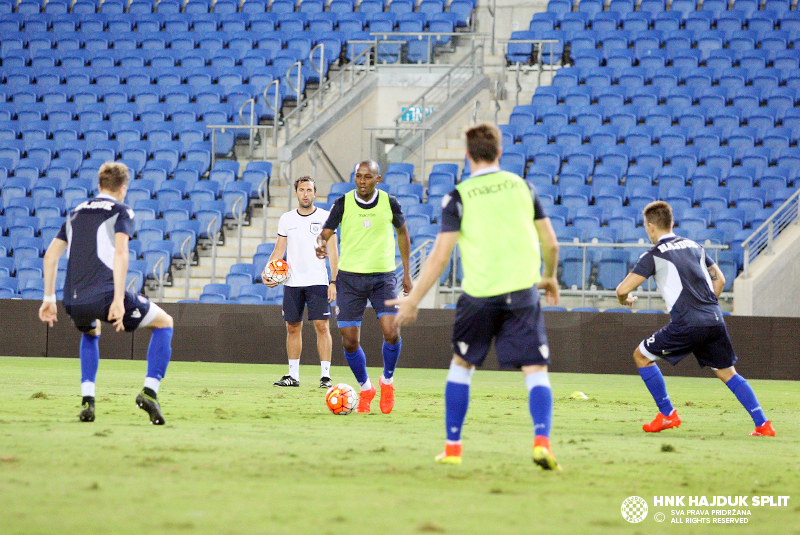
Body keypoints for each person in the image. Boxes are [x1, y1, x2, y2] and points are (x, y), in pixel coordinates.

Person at [388, 123, 562, 470]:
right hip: (522, 293)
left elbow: (439, 256)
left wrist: (413, 300)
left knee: (462, 366)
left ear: (467, 155)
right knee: (535, 369)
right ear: (500, 153)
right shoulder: (523, 186)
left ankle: (453, 448)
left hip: (479, 295)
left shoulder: (458, 195)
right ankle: (542, 440)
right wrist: (549, 276)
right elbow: (551, 242)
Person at [615, 200, 775, 437]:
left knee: (641, 356)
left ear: (650, 226)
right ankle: (763, 424)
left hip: (687, 323)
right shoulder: (695, 246)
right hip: (714, 319)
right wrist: (707, 308)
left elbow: (621, 290)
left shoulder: (654, 254)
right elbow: (719, 280)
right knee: (727, 372)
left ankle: (667, 414)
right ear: (671, 223)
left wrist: (625, 301)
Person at [38, 162, 174, 425]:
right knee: (165, 323)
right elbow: (121, 253)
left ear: (98, 186)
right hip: (105, 295)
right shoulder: (121, 211)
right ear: (123, 188)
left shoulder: (75, 212)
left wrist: (48, 298)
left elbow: (50, 256)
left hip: (73, 300)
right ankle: (150, 392)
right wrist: (119, 300)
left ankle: (88, 401)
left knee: (91, 332)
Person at [314, 160, 413, 414]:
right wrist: (321, 242)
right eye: (358, 176)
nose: (361, 181)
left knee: (391, 332)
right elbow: (326, 231)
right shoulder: (343, 202)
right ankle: (366, 388)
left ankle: (387, 382)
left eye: (367, 177)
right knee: (349, 341)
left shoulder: (390, 203)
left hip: (383, 277)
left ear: (377, 179)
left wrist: (407, 271)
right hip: (349, 280)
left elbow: (402, 233)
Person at [263, 176, 338, 389]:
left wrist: (334, 281)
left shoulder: (326, 218)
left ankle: (325, 377)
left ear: (315, 193)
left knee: (322, 326)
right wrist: (267, 271)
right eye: (302, 189)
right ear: (296, 193)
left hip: (318, 282)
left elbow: (333, 251)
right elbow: (279, 250)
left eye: (309, 190)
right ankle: (293, 376)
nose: (305, 193)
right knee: (292, 327)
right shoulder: (287, 219)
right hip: (292, 282)